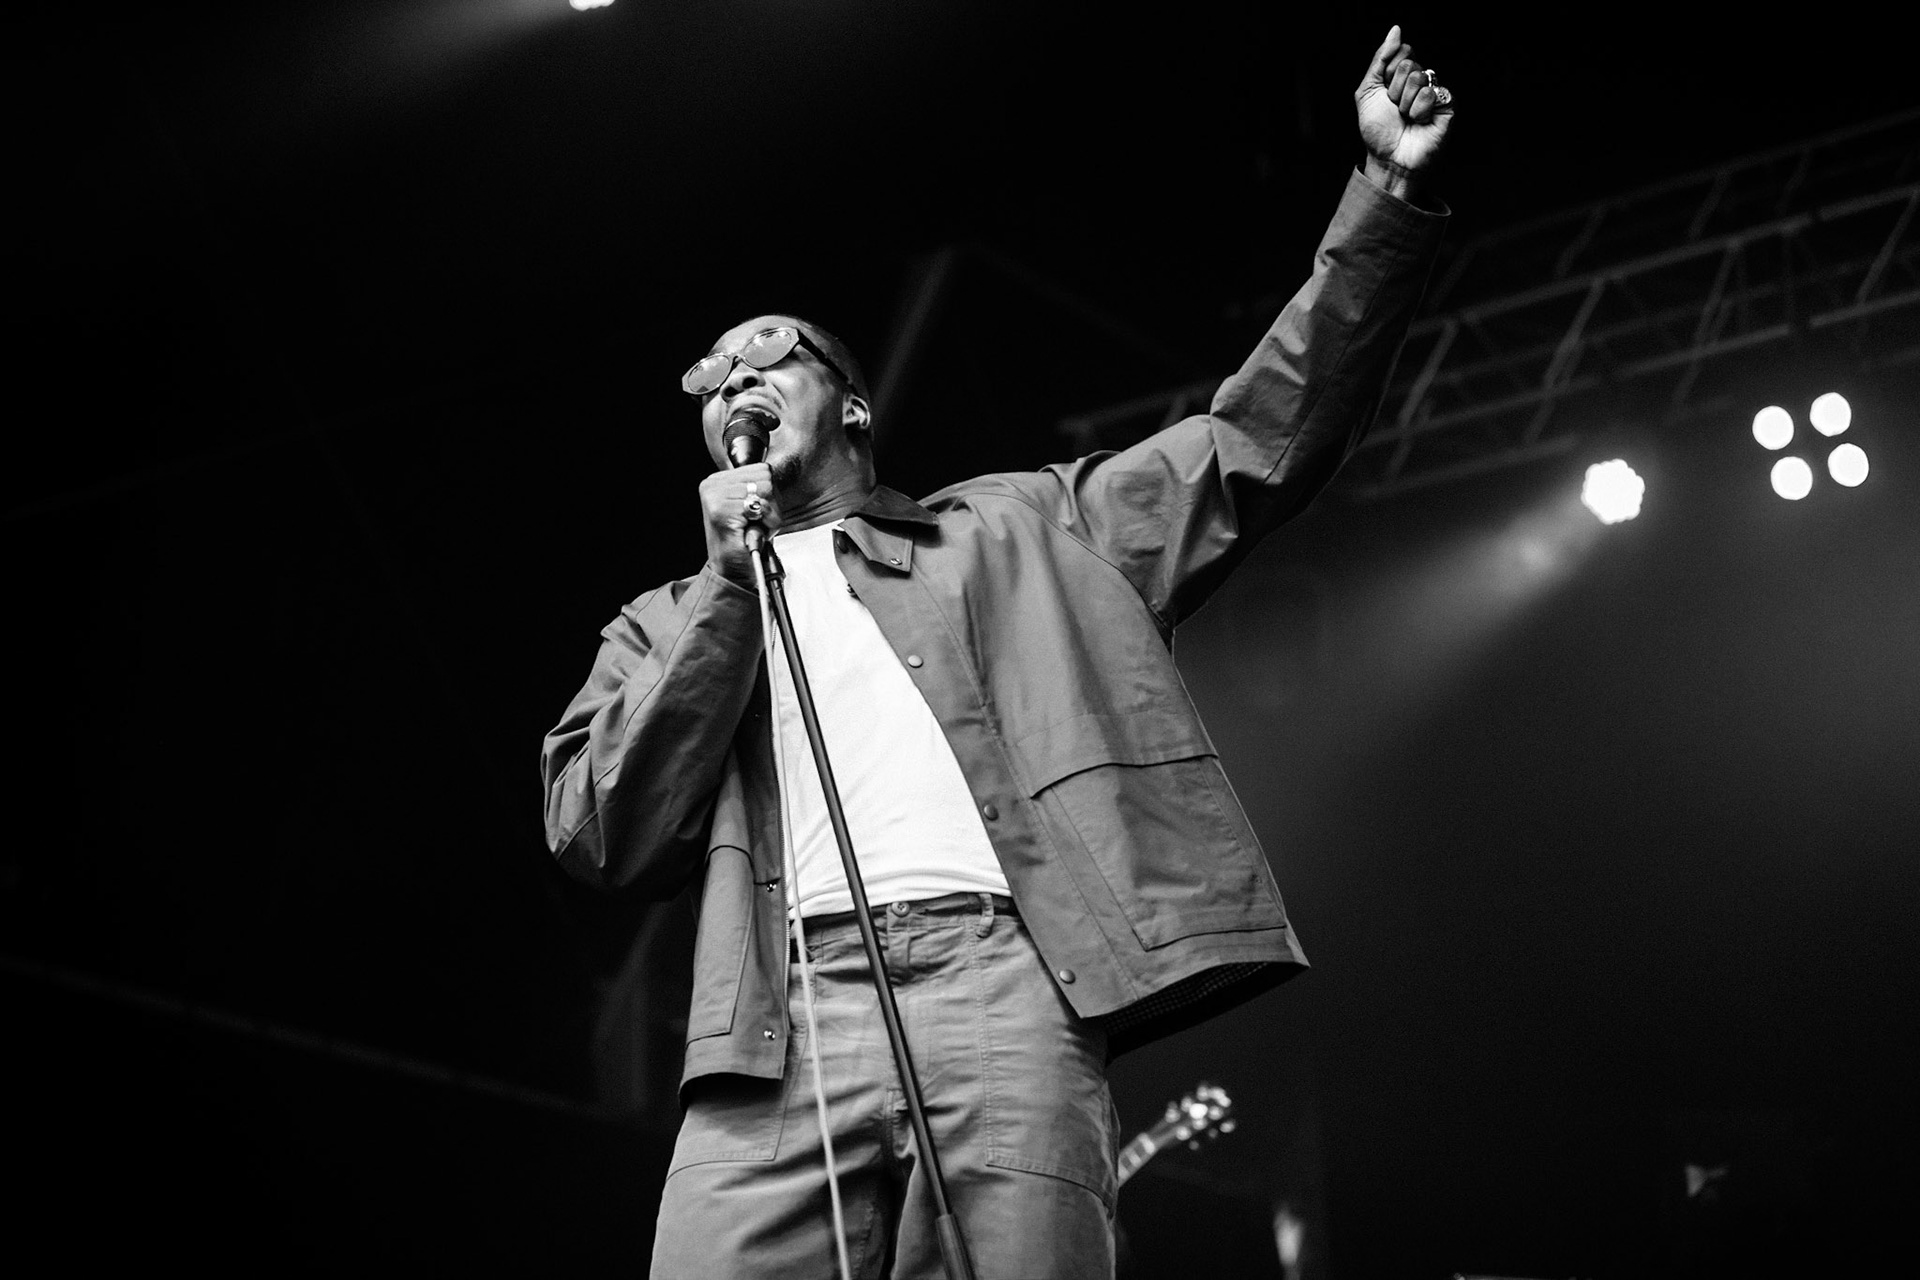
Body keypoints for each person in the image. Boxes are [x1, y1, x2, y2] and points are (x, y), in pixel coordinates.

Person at [541, 26, 1454, 1280]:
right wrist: (721, 586)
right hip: (776, 1019)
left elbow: (1259, 438)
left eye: (764, 352)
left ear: (851, 403)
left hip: (997, 983)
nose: (729, 384)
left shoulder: (1023, 527)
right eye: (707, 383)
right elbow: (599, 825)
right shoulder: (666, 616)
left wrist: (1385, 197)